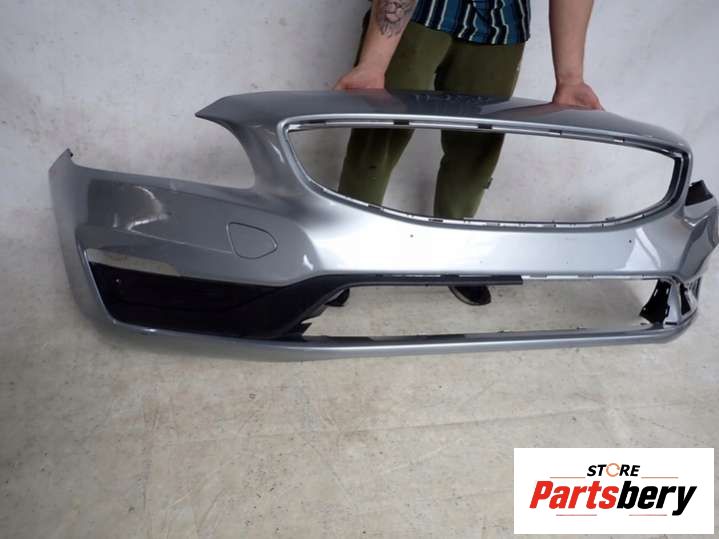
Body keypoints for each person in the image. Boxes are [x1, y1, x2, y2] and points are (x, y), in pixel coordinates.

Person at [328, 0, 602, 308]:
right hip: (418, 15)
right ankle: (345, 252)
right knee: (378, 136)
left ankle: (455, 249)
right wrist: (374, 63)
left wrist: (571, 79)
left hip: (501, 26)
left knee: (477, 149)